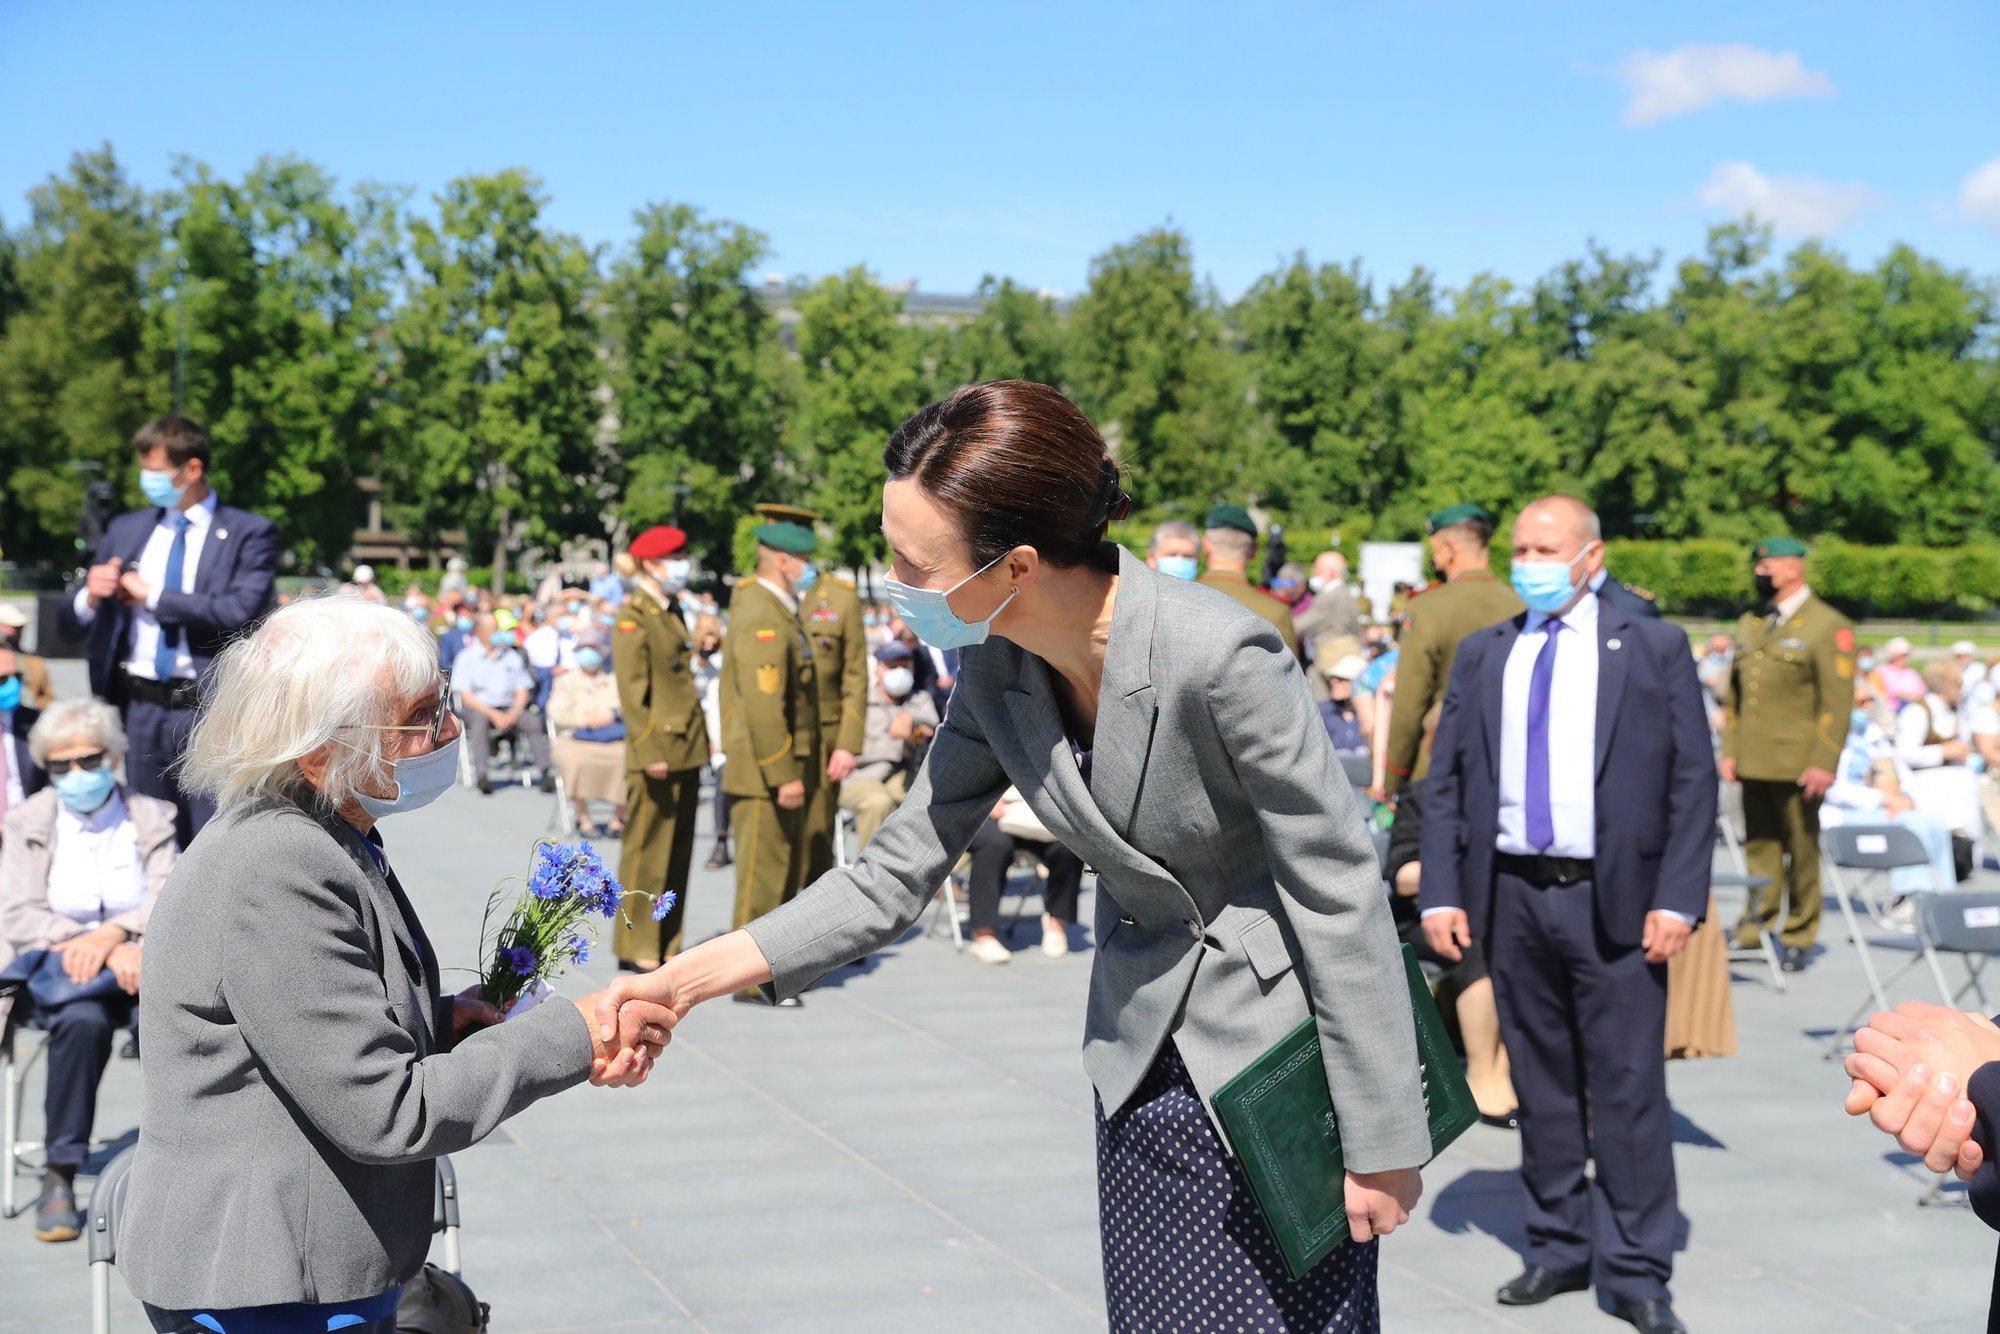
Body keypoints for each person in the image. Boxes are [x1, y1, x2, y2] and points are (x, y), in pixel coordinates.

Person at [607, 380, 1428, 1329]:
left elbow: (1338, 891)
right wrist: (684, 981)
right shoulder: (998, 663)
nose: (895, 585)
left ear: (1017, 566)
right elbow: (894, 869)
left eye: (914, 564)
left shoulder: (1220, 655)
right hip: (1137, 1057)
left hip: (1275, 1071)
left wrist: (1381, 1135)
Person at [116, 596, 675, 1331]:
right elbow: (385, 1113)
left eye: (441, 702)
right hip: (268, 1283)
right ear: (319, 751)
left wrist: (440, 1022)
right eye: (417, 717)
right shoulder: (278, 862)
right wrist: (569, 1033)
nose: (446, 731)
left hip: (303, 1264)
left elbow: (300, 1032)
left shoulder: (319, 833)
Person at [1420, 494, 1714, 1334]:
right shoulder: (1487, 653)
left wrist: (1678, 897)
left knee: (1626, 1085)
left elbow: (1693, 780)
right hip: (1511, 896)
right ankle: (1556, 1245)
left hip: (1616, 900)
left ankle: (1636, 1266)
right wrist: (1442, 889)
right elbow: (1446, 784)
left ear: (1592, 557)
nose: (1530, 563)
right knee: (1539, 1084)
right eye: (1521, 548)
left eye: (1547, 548)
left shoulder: (1651, 647)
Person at [58, 415, 281, 848]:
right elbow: (68, 626)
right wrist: (91, 594)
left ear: (192, 470)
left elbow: (239, 610)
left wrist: (154, 596)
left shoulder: (247, 532)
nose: (148, 481)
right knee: (150, 838)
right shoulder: (128, 529)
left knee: (213, 839)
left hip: (207, 710)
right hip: (141, 708)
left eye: (157, 471)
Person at [0, 699, 174, 1244]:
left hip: (147, 967)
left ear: (115, 756)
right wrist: (92, 943)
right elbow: (19, 911)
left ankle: (184, 1168)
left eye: (88, 759)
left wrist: (118, 934)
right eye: (60, 765)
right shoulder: (26, 821)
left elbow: (171, 894)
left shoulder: (151, 815)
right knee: (81, 1023)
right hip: (57, 973)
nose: (76, 774)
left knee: (177, 1021)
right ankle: (61, 1169)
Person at [1720, 536, 1855, 971]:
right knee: (1759, 847)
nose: (1760, 574)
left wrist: (1824, 761)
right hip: (1755, 758)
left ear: (1793, 568)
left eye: (1767, 568)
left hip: (1800, 763)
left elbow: (1836, 704)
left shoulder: (1827, 624)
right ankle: (1754, 926)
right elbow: (1736, 698)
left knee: (1801, 848)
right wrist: (1730, 749)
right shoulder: (1752, 622)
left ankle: (1800, 931)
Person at [1379, 503, 1525, 893]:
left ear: (1446, 547)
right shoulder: (1521, 604)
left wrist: (1395, 778)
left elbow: (1410, 703)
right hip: (1511, 765)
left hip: (1440, 765)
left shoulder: (1427, 607)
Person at [719, 521, 822, 1008]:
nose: (810, 570)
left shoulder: (778, 608)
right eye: (804, 560)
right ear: (783, 561)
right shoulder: (762, 611)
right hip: (765, 774)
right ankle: (749, 981)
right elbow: (765, 706)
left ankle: (770, 974)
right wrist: (783, 773)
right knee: (762, 880)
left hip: (776, 770)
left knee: (778, 874)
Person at [610, 527, 709, 969]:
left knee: (677, 851)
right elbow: (634, 694)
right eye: (675, 557)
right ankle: (637, 945)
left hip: (684, 747)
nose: (682, 564)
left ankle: (667, 938)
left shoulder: (669, 610)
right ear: (652, 564)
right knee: (647, 854)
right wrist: (650, 751)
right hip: (658, 751)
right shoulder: (634, 614)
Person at [755, 503, 868, 888]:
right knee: (773, 849)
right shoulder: (758, 597)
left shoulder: (839, 598)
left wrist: (847, 744)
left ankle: (818, 938)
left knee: (817, 844)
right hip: (773, 740)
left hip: (824, 741)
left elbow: (855, 676)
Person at [962, 786, 1083, 964]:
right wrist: (987, 801)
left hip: (1037, 809)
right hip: (986, 807)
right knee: (995, 844)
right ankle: (984, 935)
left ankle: (1057, 925)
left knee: (1069, 845)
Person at [838, 643, 939, 849]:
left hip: (900, 775)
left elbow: (932, 723)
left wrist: (912, 719)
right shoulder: (861, 702)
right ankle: (874, 876)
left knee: (924, 804)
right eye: (893, 666)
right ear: (878, 670)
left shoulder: (919, 700)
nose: (900, 672)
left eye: (905, 666)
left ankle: (928, 874)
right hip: (860, 776)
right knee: (879, 803)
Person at [450, 613, 553, 794]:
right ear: (480, 632)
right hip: (479, 708)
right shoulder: (467, 657)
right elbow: (466, 696)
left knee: (532, 721)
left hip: (508, 707)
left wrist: (513, 713)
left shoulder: (511, 656)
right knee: (480, 722)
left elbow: (523, 690)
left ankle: (545, 772)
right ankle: (483, 775)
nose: (497, 632)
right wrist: (494, 714)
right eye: (492, 629)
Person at [547, 631, 626, 840]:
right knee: (575, 760)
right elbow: (557, 713)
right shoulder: (565, 680)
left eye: (594, 649)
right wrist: (586, 719)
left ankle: (619, 816)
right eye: (584, 649)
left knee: (628, 756)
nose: (589, 654)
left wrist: (609, 715)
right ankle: (583, 816)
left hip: (611, 737)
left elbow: (627, 707)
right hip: (575, 737)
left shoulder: (614, 679)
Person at [1196, 504, 1301, 657]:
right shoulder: (1276, 611)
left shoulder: (1173, 601)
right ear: (1254, 550)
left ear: (1205, 544)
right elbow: (1291, 677)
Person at [690, 613, 732, 869]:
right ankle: (720, 840)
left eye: (713, 634)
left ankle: (724, 839)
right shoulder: (694, 662)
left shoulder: (725, 662)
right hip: (705, 728)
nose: (709, 640)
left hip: (726, 733)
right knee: (723, 780)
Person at [1296, 551, 1363, 701]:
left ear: (1332, 573)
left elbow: (1301, 625)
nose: (1314, 574)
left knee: (1323, 706)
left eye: (1318, 570)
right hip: (1345, 657)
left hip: (1330, 661)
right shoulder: (1346, 593)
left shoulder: (1330, 596)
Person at [0, 603, 55, 708]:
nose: (19, 632)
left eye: (20, 627)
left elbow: (48, 698)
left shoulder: (34, 662)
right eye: (13, 627)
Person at [1318, 655, 1370, 756]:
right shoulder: (1321, 712)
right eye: (1333, 678)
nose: (1334, 682)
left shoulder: (1373, 715)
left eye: (1342, 679)